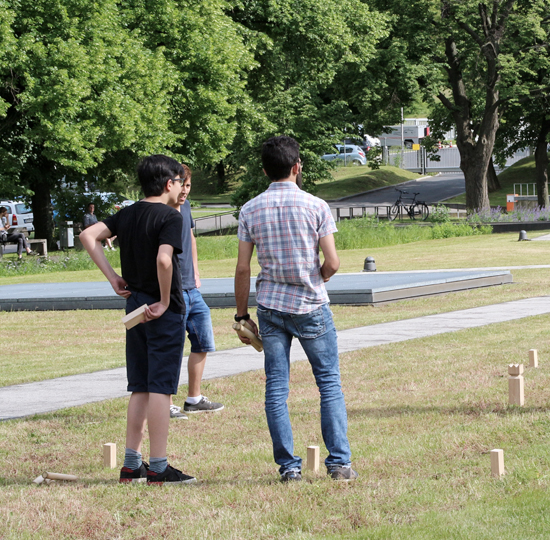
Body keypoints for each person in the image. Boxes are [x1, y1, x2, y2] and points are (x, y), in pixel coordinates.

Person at [234, 135, 356, 482]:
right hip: (310, 304)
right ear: (297, 167)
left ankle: (289, 468)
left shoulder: (250, 209)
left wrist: (242, 315)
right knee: (329, 383)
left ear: (264, 171)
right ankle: (339, 464)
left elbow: (243, 268)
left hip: (270, 307)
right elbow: (332, 262)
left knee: (276, 388)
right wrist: (314, 279)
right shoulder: (316, 206)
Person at [80, 155, 196, 485]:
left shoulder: (127, 214)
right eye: (179, 181)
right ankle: (158, 467)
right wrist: (162, 301)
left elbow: (89, 236)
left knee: (140, 385)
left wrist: (113, 278)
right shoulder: (170, 216)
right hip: (163, 311)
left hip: (134, 307)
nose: (180, 188)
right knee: (161, 387)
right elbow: (164, 259)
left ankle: (132, 464)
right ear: (168, 184)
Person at [167, 164, 224, 419]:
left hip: (192, 288)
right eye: (182, 185)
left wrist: (197, 272)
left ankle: (194, 398)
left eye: (188, 186)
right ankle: (165, 403)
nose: (185, 191)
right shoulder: (161, 211)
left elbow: (191, 239)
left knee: (202, 341)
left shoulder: (186, 207)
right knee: (171, 347)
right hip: (171, 290)